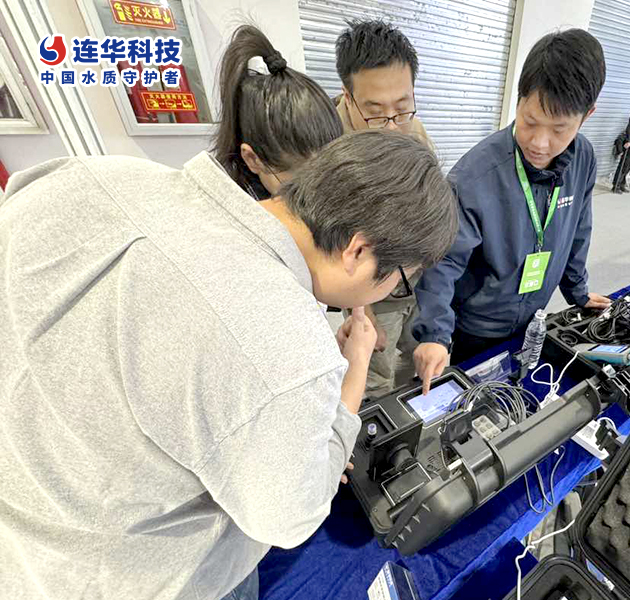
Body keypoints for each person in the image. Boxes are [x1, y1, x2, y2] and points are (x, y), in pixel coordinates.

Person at [0, 129, 456, 600]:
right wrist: (354, 365)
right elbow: (291, 516)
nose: (391, 293)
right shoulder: (285, 351)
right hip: (127, 577)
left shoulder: (92, 174)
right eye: (400, 282)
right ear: (358, 251)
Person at [412, 29, 611, 393]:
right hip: (477, 327)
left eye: (559, 129)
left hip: (534, 317)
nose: (540, 143)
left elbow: (579, 228)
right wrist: (435, 334)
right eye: (530, 121)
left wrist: (578, 291)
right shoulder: (474, 176)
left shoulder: (583, 157)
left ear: (586, 116)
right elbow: (442, 262)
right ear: (519, 100)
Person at [334, 19, 434, 397]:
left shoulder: (414, 131)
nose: (392, 127)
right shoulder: (324, 147)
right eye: (375, 112)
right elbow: (326, 244)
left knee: (417, 362)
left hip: (415, 280)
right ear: (348, 96)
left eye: (402, 108)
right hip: (370, 291)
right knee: (374, 378)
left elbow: (431, 205)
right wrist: (361, 310)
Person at [212, 25, 339, 201]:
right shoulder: (231, 207)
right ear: (252, 159)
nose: (316, 195)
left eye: (327, 175)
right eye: (298, 189)